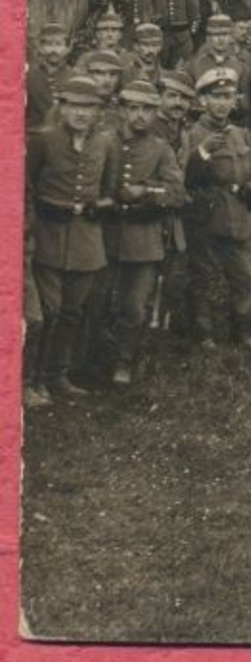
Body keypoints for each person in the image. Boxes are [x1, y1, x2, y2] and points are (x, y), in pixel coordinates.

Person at [25, 76, 117, 406]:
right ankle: (30, 380)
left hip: (86, 241)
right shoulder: (43, 140)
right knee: (46, 311)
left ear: (98, 111)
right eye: (74, 105)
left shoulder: (106, 143)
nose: (81, 113)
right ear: (62, 107)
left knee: (71, 312)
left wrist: (97, 207)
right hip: (48, 236)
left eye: (89, 107)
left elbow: (111, 193)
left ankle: (57, 376)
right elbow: (28, 188)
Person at [103, 80, 187, 385]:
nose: (140, 115)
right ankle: (89, 361)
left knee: (135, 306)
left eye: (147, 109)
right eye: (134, 108)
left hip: (144, 239)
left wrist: (146, 192)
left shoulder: (161, 149)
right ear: (122, 110)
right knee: (96, 301)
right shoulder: (105, 142)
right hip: (104, 235)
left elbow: (177, 193)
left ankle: (124, 360)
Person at [182, 66, 251, 352]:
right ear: (203, 100)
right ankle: (203, 332)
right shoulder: (194, 134)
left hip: (239, 217)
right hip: (207, 217)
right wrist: (203, 152)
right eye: (215, 96)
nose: (222, 102)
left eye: (227, 96)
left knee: (244, 277)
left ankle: (242, 330)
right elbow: (186, 177)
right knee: (204, 278)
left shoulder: (242, 134)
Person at [26, 22, 73, 131]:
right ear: (40, 48)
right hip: (34, 134)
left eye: (58, 44)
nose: (53, 50)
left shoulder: (74, 76)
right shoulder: (29, 77)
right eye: (48, 44)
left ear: (67, 48)